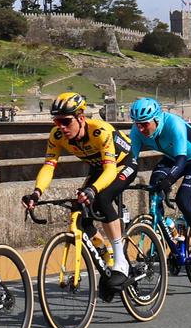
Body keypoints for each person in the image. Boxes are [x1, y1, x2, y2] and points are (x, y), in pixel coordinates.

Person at [23, 92, 135, 289]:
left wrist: (92, 190)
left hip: (122, 164)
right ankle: (105, 253)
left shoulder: (100, 131)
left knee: (102, 198)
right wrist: (36, 193)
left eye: (66, 121)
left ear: (81, 118)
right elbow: (49, 165)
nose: (61, 127)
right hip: (99, 167)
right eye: (57, 121)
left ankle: (121, 262)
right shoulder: (57, 135)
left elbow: (110, 170)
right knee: (79, 213)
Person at [125, 97, 191, 270]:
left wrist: (169, 180)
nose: (141, 129)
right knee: (154, 191)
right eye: (137, 124)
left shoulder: (174, 123)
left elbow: (182, 159)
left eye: (145, 124)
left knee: (183, 199)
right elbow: (130, 162)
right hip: (172, 159)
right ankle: (166, 237)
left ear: (156, 119)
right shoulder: (136, 131)